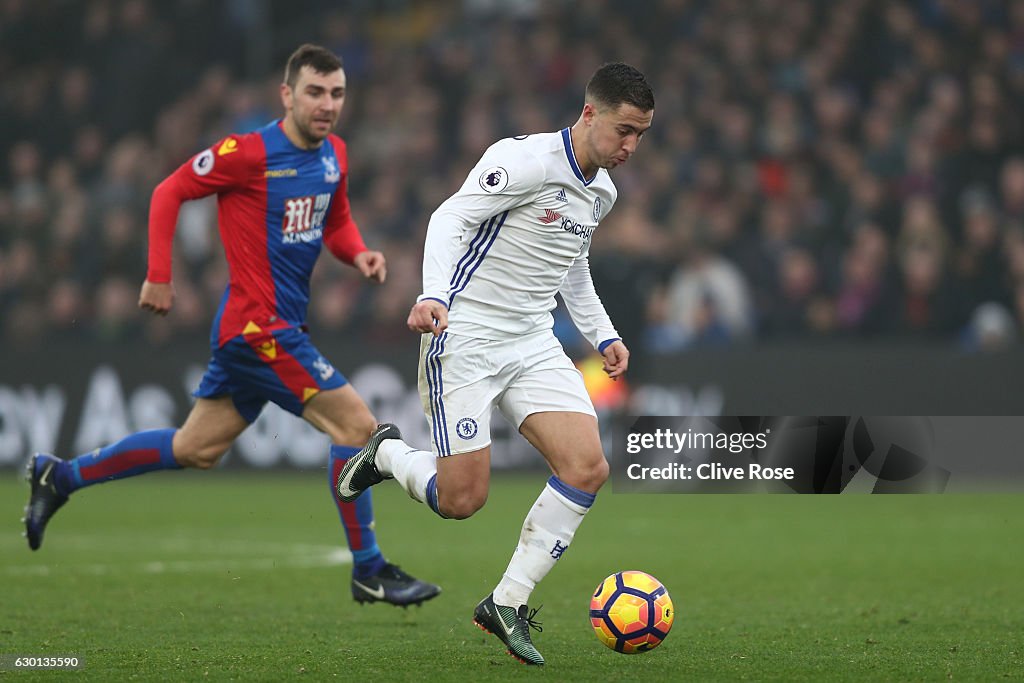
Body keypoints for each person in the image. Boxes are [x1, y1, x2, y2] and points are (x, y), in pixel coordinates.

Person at [23, 44, 440, 608]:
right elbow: (168, 190)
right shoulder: (247, 153)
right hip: (257, 328)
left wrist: (359, 253)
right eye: (314, 92)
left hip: (273, 330)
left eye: (336, 93)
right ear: (287, 95)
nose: (327, 105)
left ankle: (59, 477)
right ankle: (368, 568)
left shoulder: (334, 154)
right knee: (356, 427)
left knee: (196, 447)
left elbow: (335, 220)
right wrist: (159, 275)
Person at [337, 63, 654, 663]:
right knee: (462, 501)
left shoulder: (603, 191)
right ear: (590, 114)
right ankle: (386, 454)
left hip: (533, 341)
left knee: (587, 467)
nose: (630, 147)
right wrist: (433, 294)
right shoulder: (525, 161)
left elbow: (572, 266)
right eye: (624, 130)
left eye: (641, 135)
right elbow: (450, 217)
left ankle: (506, 602)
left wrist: (602, 334)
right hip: (467, 335)